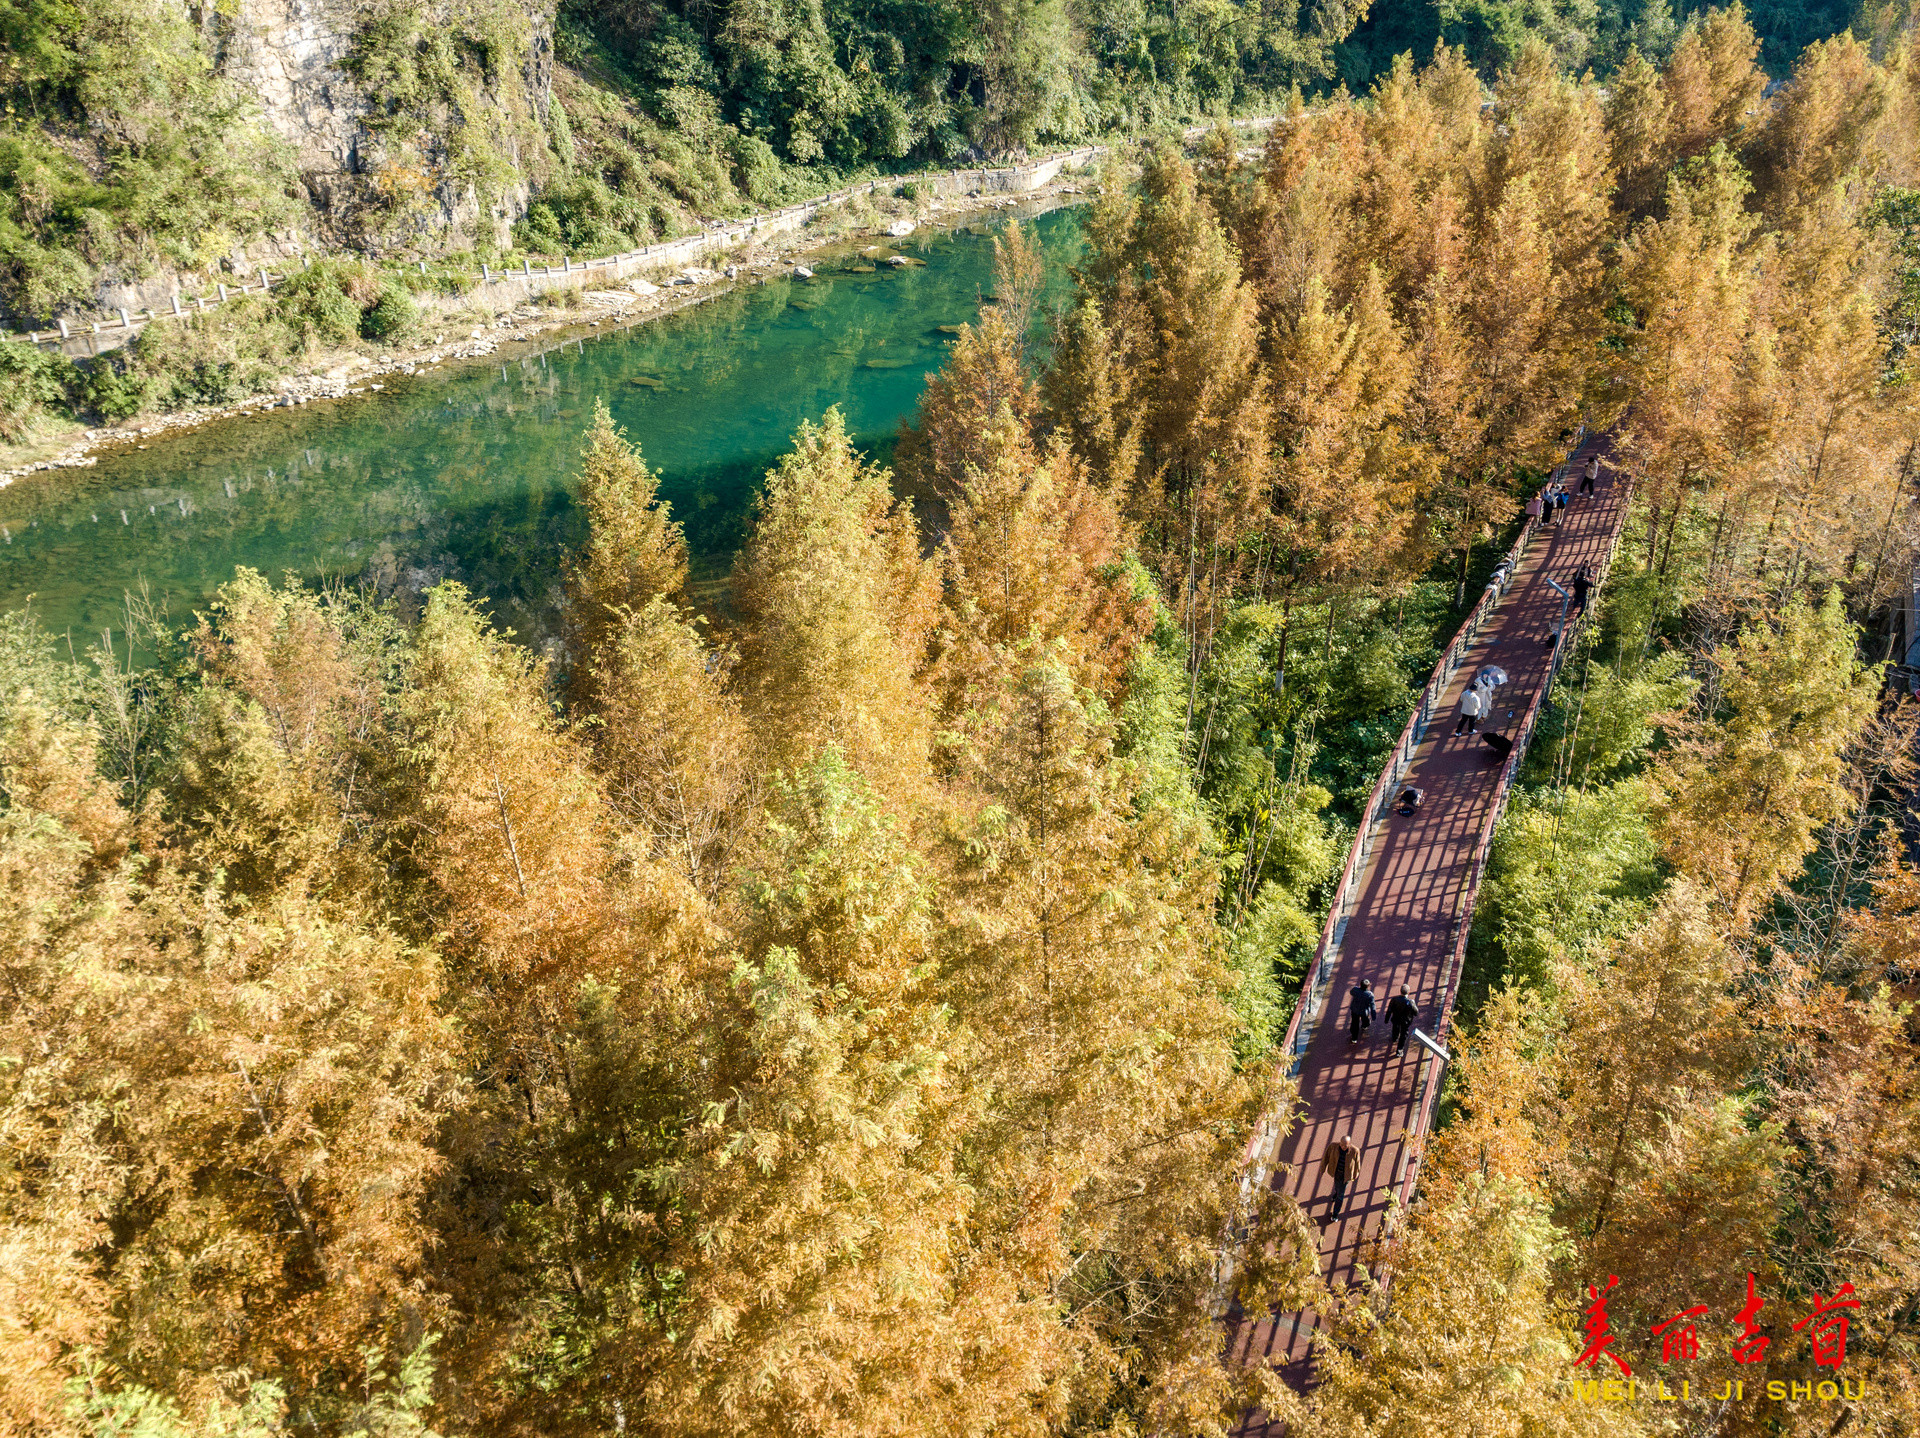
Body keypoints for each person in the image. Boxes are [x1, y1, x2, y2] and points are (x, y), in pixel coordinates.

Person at [1322, 1133, 1361, 1218]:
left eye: (1345, 1146)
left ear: (1349, 1144)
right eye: (1341, 1144)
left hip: (1346, 1175)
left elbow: (1357, 1164)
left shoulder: (1355, 1151)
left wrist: (1355, 1174)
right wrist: (1322, 1168)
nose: (1342, 1147)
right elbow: (1325, 1157)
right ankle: (1336, 1193)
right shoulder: (1333, 1146)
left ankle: (1335, 1214)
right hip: (1336, 1172)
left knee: (1341, 1195)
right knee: (1337, 1186)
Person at [1386, 987, 1419, 1055]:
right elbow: (1416, 1013)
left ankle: (1394, 1037)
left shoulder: (1394, 999)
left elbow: (1389, 1010)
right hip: (1405, 1021)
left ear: (1400, 991)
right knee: (1403, 1034)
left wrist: (1386, 1019)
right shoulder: (1410, 1002)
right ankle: (1399, 1050)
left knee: (1395, 1027)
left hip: (1396, 1018)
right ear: (1409, 992)